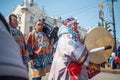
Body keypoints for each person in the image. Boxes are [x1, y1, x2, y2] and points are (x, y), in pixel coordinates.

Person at [0, 12, 28, 80]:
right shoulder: (7, 31)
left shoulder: (20, 32)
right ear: (9, 21)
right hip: (13, 57)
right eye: (14, 20)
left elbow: (24, 44)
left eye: (17, 20)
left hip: (22, 57)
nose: (16, 21)